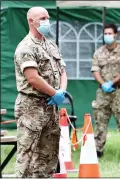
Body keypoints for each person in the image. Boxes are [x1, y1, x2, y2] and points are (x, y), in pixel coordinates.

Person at [13, 6, 68, 177]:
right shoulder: (26, 47)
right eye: (43, 18)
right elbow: (33, 78)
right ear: (31, 21)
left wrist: (62, 92)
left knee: (48, 155)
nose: (47, 21)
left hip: (51, 107)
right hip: (31, 107)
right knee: (27, 155)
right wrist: (54, 93)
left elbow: (62, 71)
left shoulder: (50, 45)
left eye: (48, 18)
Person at [91, 23, 120, 157]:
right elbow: (95, 70)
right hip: (102, 93)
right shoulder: (98, 52)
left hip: (119, 92)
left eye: (110, 33)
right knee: (100, 121)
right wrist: (104, 84)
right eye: (105, 34)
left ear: (116, 35)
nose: (107, 36)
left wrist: (112, 83)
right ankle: (98, 150)